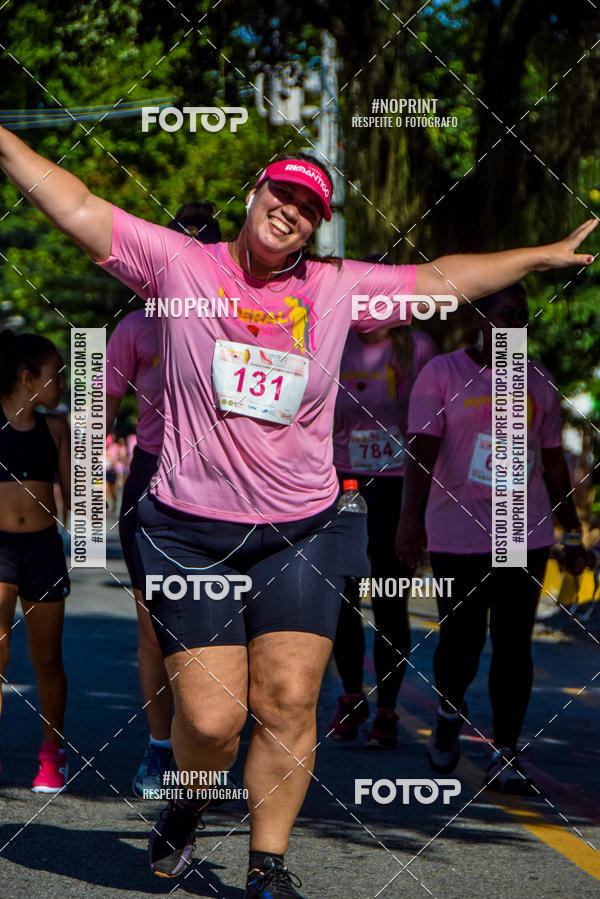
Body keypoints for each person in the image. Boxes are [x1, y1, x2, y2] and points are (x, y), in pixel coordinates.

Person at [0, 129, 595, 897]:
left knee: (286, 699)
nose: (291, 212)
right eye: (282, 194)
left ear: (315, 225)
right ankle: (187, 801)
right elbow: (75, 202)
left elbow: (442, 279)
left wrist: (538, 254)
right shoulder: (179, 264)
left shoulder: (337, 286)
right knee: (212, 721)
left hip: (305, 528)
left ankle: (266, 865)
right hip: (188, 530)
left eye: (309, 208)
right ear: (255, 193)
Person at [396, 284, 586, 795]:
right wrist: (408, 523)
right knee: (461, 641)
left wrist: (571, 531)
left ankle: (505, 749)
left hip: (522, 529)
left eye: (523, 317)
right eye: (505, 315)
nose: (515, 325)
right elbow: (420, 455)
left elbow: (552, 463)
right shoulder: (443, 374)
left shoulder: (537, 380)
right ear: (479, 318)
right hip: (457, 531)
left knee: (512, 641)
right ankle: (448, 709)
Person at [105, 202, 222, 798]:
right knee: (155, 627)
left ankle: (210, 752)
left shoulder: (247, 317)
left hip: (232, 482)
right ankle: (159, 749)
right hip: (153, 478)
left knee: (230, 629)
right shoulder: (135, 329)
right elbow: (95, 413)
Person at [329, 319, 437, 749]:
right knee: (342, 598)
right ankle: (353, 697)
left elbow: (430, 432)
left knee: (391, 601)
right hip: (342, 484)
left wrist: (421, 513)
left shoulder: (420, 349)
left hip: (399, 488)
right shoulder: (332, 341)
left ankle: (388, 709)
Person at [0, 330, 70, 792]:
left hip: (44, 549)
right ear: (28, 378)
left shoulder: (56, 428)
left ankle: (51, 752)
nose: (61, 384)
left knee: (46, 658)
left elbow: (78, 501)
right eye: (54, 376)